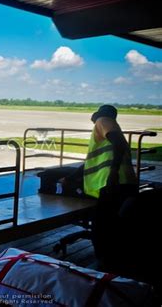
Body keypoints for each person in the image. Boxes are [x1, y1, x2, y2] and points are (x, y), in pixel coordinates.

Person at [64, 105, 137, 267]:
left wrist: (113, 172)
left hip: (115, 183)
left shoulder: (103, 121)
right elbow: (91, 162)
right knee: (112, 224)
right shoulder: (105, 133)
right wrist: (70, 177)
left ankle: (104, 265)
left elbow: (120, 143)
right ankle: (112, 261)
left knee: (101, 226)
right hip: (122, 183)